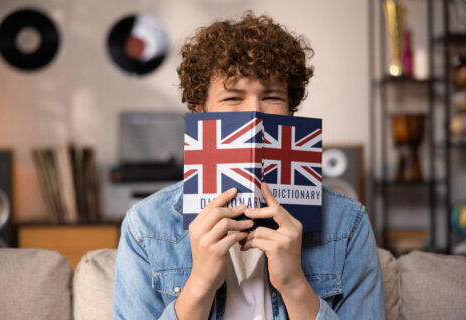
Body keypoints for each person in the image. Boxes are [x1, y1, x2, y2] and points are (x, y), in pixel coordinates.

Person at [113, 12, 385, 320]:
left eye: (271, 96)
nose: (254, 113)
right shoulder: (145, 227)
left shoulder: (347, 224)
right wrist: (200, 283)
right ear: (200, 112)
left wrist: (294, 284)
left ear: (291, 112)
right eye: (233, 97)